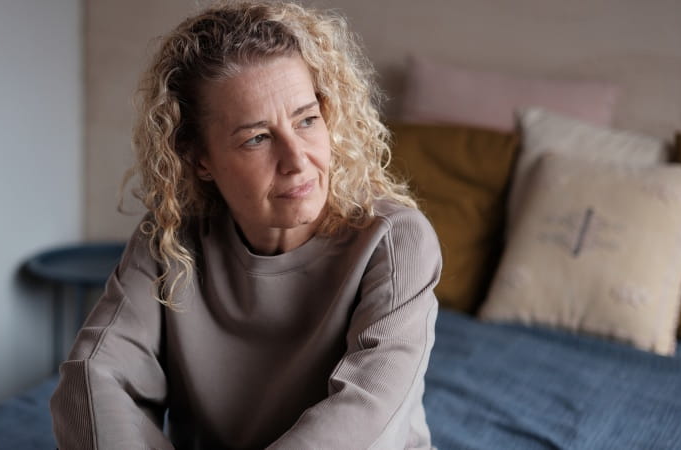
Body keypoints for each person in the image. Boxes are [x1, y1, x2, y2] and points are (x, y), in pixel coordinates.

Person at [50, 1, 441, 448]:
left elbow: (367, 413)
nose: (297, 161)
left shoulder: (394, 240)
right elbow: (92, 380)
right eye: (257, 138)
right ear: (200, 160)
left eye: (307, 120)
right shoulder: (170, 241)